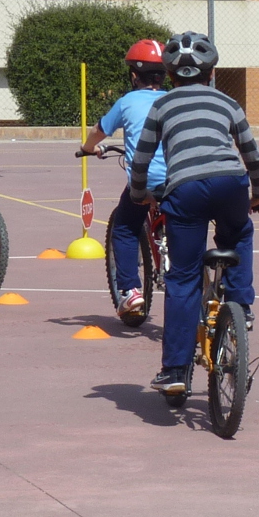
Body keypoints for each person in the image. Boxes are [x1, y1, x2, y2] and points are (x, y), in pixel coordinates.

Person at [127, 32, 259, 397]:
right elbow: (251, 153)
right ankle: (241, 303)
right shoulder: (227, 103)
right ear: (211, 72)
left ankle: (174, 369)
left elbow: (142, 158)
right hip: (230, 183)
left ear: (170, 74)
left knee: (183, 277)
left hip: (185, 190)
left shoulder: (162, 105)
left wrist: (140, 194)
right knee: (239, 234)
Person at [82, 39, 169, 323]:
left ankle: (131, 290)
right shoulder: (172, 100)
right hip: (179, 177)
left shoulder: (127, 101)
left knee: (124, 227)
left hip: (145, 181)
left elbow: (99, 131)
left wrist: (87, 148)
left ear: (134, 75)